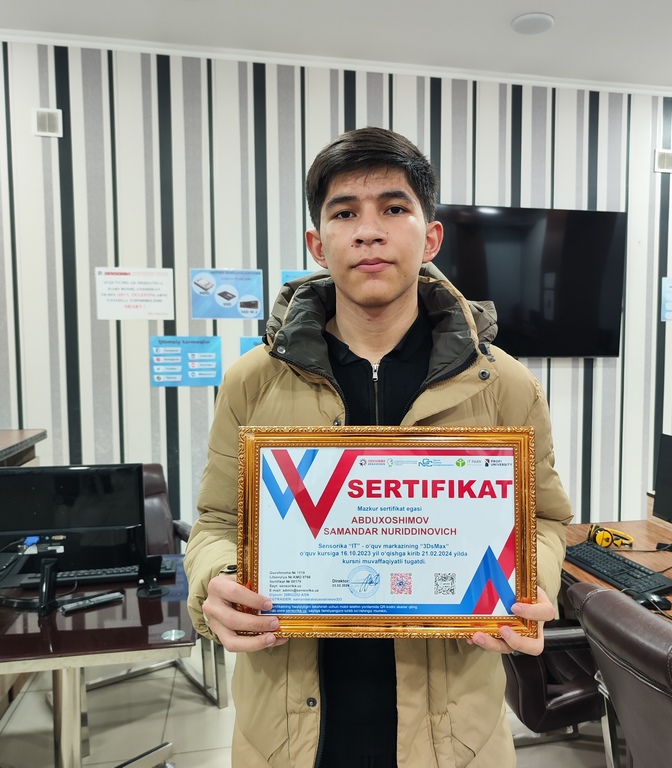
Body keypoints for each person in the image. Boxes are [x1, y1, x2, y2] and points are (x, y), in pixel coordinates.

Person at [185, 126, 573, 768]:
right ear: (318, 244)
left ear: (431, 237)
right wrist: (217, 581)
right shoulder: (253, 381)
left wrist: (530, 582)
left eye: (394, 208)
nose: (369, 231)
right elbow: (219, 522)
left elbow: (545, 520)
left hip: (454, 739)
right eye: (344, 213)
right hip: (288, 735)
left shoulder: (504, 385)